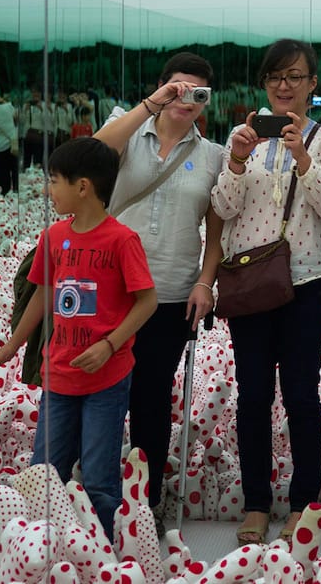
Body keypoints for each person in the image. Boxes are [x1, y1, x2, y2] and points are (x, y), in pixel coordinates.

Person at [0, 137, 158, 540]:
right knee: (44, 471)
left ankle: (102, 551)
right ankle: (43, 548)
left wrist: (109, 344)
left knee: (98, 479)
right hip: (58, 373)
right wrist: (11, 347)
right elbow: (42, 295)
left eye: (54, 180)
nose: (49, 190)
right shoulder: (53, 237)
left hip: (107, 377)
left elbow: (147, 301)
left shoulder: (122, 240)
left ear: (83, 187)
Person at [212, 38, 321, 547]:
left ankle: (304, 502)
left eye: (294, 77)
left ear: (313, 84)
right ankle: (256, 502)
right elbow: (223, 208)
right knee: (253, 395)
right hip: (250, 281)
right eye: (275, 77)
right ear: (264, 84)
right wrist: (237, 161)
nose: (284, 86)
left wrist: (302, 156)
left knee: (300, 393)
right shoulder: (243, 136)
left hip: (307, 283)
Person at [93, 51, 224, 522]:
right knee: (102, 393)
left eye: (197, 93)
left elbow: (216, 234)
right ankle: (97, 493)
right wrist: (153, 104)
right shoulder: (127, 130)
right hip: (109, 287)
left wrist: (205, 282)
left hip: (169, 293)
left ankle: (144, 501)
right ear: (161, 87)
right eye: (177, 89)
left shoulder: (214, 156)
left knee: (151, 397)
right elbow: (92, 153)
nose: (186, 100)